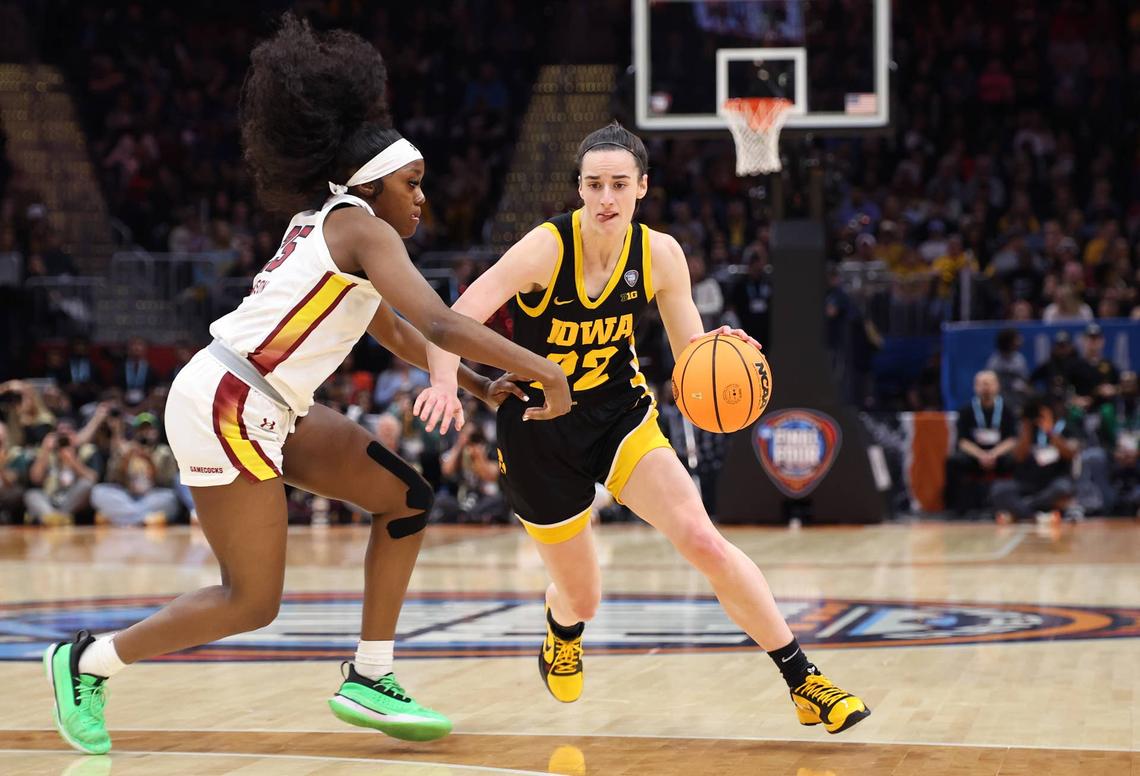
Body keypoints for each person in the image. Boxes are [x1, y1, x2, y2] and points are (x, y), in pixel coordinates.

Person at [43, 15, 571, 756]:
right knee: (251, 601)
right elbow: (439, 322)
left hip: (267, 401)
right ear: (372, 185)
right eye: (412, 183)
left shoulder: (336, 226)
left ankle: (371, 674)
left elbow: (397, 332)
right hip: (228, 400)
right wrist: (545, 368)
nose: (423, 197)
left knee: (407, 498)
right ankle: (87, 661)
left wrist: (481, 388)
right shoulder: (360, 227)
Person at [416, 123, 870, 734]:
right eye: (594, 184)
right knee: (583, 598)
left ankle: (803, 680)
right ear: (580, 187)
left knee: (703, 540)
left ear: (642, 187)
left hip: (619, 414)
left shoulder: (660, 255)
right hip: (538, 430)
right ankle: (562, 628)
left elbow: (690, 361)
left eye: (619, 184)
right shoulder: (545, 249)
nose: (606, 197)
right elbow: (453, 319)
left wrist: (718, 355)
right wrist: (446, 382)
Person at [944, 371, 1018, 515]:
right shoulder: (966, 411)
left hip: (999, 455)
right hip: (975, 455)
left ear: (997, 386)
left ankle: (1012, 505)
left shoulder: (1008, 410)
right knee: (953, 462)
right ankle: (956, 508)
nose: (986, 387)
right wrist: (981, 455)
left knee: (1017, 460)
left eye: (989, 383)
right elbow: (962, 441)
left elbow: (1012, 439)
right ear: (975, 387)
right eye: (982, 384)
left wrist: (993, 454)